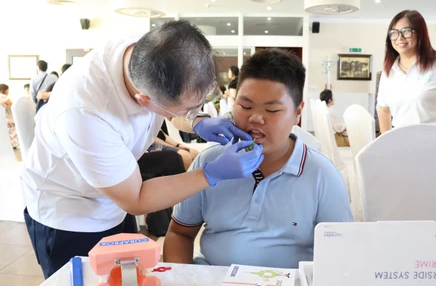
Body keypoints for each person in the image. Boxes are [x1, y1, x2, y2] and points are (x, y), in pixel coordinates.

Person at [21, 20, 264, 278]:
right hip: (70, 212)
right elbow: (136, 198)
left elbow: (172, 111)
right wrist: (210, 174)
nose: (193, 112)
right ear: (144, 99)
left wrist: (198, 120)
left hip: (115, 195)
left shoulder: (154, 48)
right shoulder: (85, 113)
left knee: (127, 278)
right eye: (188, 108)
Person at [163, 49, 353, 269]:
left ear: (297, 113)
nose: (255, 118)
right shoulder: (211, 164)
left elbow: (341, 253)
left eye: (272, 110)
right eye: (245, 106)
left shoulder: (322, 174)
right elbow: (180, 233)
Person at [0, 84, 18, 148]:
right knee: (11, 132)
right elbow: (12, 105)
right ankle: (12, 145)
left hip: (2, 117)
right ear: (5, 90)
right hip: (8, 117)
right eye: (7, 90)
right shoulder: (3, 96)